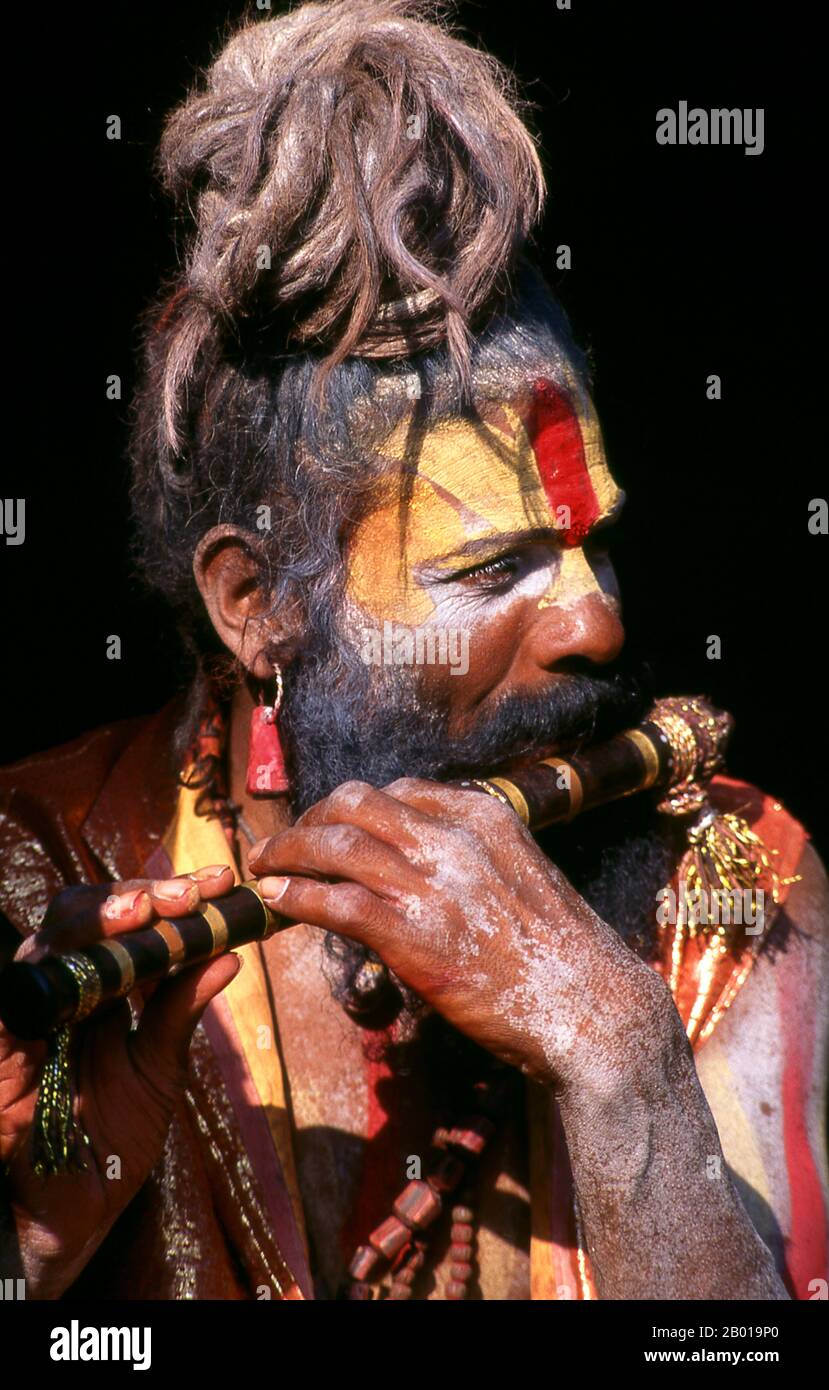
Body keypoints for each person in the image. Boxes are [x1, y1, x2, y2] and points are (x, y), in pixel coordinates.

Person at [1, 0, 826, 1301]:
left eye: (590, 543)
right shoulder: (39, 867)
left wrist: (627, 1072)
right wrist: (34, 1250)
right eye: (493, 568)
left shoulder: (727, 884)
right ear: (254, 601)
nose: (593, 621)